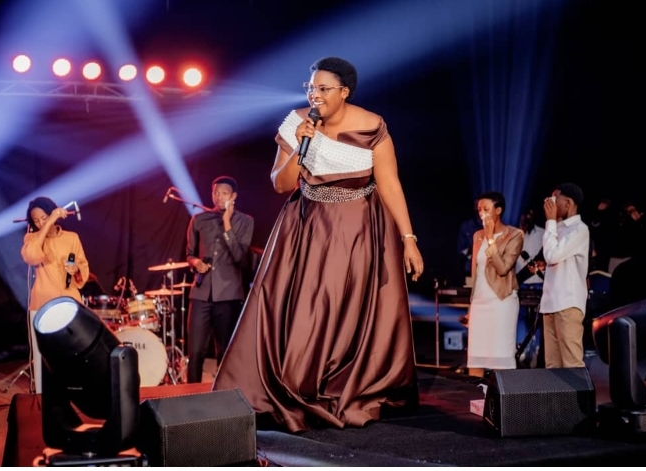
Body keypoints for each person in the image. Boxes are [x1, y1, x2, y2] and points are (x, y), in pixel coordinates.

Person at [212, 56, 424, 433]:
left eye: (323, 88)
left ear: (345, 91)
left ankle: (341, 384)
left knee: (345, 303)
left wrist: (409, 239)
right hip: (306, 225)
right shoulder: (297, 122)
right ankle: (298, 383)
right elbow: (280, 183)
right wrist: (300, 144)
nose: (315, 95)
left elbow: (390, 184)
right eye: (311, 88)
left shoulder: (373, 125)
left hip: (357, 227)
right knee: (302, 304)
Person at [185, 176, 254, 383]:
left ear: (233, 196)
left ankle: (223, 393)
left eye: (224, 193)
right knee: (195, 351)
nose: (218, 197)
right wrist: (195, 262)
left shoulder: (245, 221)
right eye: (216, 193)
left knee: (225, 350)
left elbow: (240, 257)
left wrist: (226, 222)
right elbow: (189, 254)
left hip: (228, 294)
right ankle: (191, 394)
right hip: (201, 292)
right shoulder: (199, 219)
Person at [20, 196, 90, 393]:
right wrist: (49, 222)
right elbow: (31, 256)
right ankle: (43, 398)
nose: (41, 223)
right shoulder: (32, 239)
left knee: (73, 353)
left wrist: (75, 270)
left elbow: (83, 268)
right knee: (43, 358)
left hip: (70, 304)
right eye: (36, 220)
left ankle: (75, 397)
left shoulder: (71, 238)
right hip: (42, 304)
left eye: (44, 217)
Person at [466, 192, 523, 380]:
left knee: (501, 358)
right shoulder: (477, 236)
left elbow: (503, 268)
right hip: (479, 302)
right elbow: (475, 272)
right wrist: (471, 306)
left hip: (501, 301)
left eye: (486, 209)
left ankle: (504, 396)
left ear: (498, 210)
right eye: (479, 210)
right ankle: (477, 395)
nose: (481, 213)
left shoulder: (514, 235)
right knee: (475, 359)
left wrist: (491, 239)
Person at [539, 183, 590, 369]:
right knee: (552, 365)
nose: (549, 203)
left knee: (571, 363)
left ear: (568, 203)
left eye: (554, 199)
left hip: (568, 303)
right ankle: (557, 392)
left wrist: (550, 222)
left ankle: (578, 391)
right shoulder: (556, 228)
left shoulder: (579, 229)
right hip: (550, 303)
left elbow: (552, 256)